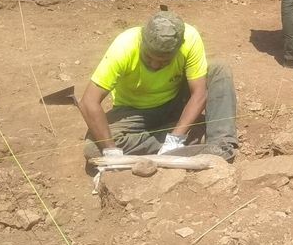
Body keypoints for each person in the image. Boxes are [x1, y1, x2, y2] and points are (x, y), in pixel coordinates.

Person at [81, 11, 238, 162]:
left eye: (165, 61)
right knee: (93, 148)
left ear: (179, 47)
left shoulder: (189, 39)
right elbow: (88, 101)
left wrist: (175, 138)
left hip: (176, 101)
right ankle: (191, 135)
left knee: (218, 69)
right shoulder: (124, 46)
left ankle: (220, 144)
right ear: (142, 40)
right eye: (149, 57)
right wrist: (110, 150)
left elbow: (199, 93)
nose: (155, 65)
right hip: (133, 111)